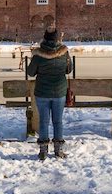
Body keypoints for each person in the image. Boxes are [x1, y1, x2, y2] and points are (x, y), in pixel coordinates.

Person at [27, 27, 72, 160]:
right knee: (58, 121)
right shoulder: (64, 52)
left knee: (43, 121)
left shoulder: (38, 54)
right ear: (58, 38)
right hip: (59, 93)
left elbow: (30, 72)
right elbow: (69, 69)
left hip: (42, 93)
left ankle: (43, 150)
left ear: (44, 38)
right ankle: (58, 150)